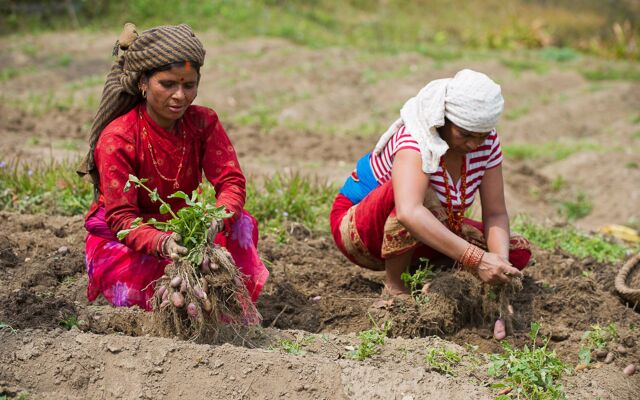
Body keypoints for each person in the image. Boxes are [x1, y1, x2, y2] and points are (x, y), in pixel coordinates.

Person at [78, 23, 268, 311]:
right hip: (130, 240)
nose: (180, 96)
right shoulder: (118, 138)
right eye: (167, 84)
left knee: (240, 224)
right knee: (164, 293)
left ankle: (230, 308)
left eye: (188, 85)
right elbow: (121, 218)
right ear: (143, 83)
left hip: (182, 231)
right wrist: (163, 244)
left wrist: (216, 218)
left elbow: (231, 181)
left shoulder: (203, 123)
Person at [329, 69, 531, 338]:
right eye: (465, 134)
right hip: (362, 231)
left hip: (428, 224)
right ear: (443, 120)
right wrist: (476, 259)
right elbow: (409, 211)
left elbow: (495, 213)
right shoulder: (417, 139)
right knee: (421, 197)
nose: (474, 144)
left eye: (481, 136)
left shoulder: (486, 142)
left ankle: (433, 283)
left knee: (515, 252)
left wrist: (498, 276)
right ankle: (395, 288)